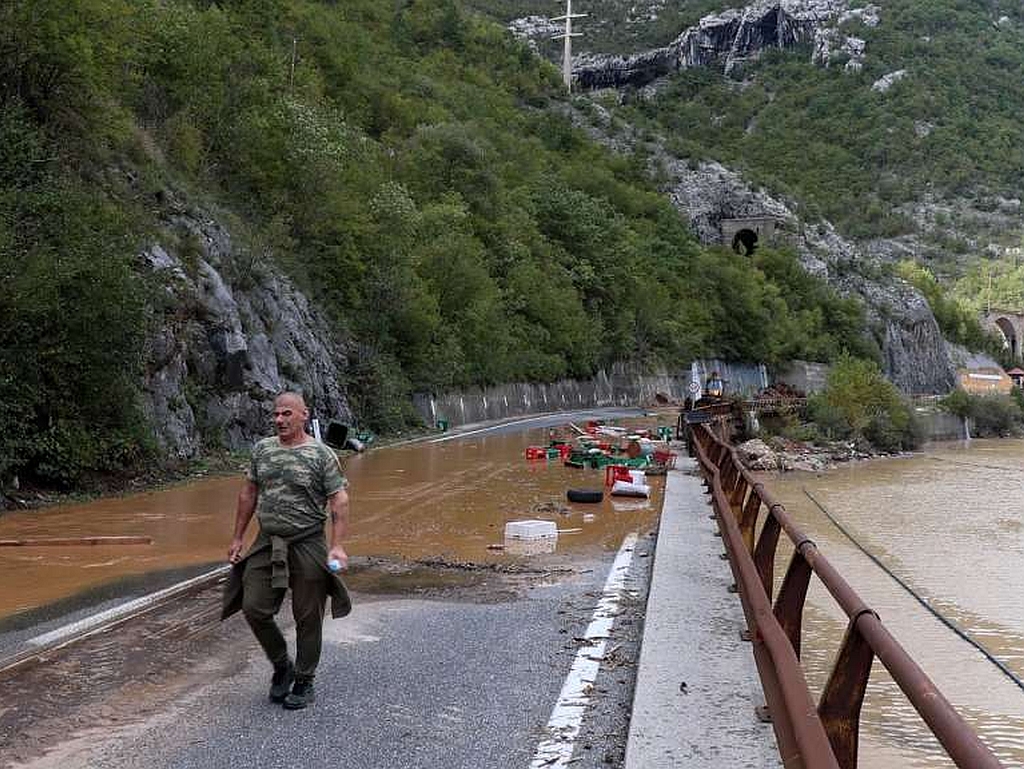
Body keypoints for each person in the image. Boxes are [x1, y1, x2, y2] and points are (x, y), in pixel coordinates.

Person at [221, 391, 351, 710]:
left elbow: (339, 500)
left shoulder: (321, 455)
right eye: (276, 415)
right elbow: (248, 493)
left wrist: (336, 545)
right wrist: (238, 537)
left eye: (287, 414)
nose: (279, 420)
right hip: (268, 541)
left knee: (308, 616)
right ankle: (282, 666)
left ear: (304, 415)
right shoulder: (262, 450)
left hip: (307, 541)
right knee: (253, 607)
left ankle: (304, 680)